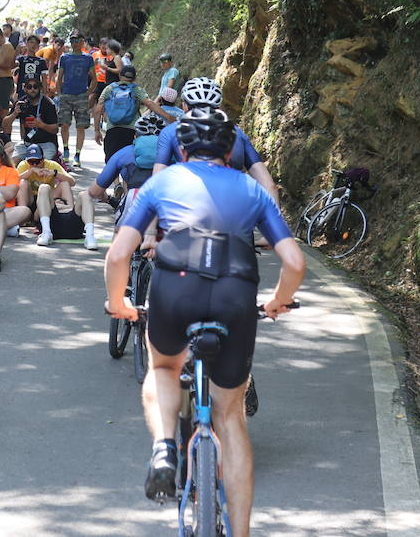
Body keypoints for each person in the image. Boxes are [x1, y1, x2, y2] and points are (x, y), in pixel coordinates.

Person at [105, 109, 304, 537]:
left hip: (175, 288)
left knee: (162, 368)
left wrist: (118, 301)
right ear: (230, 149)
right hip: (235, 292)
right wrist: (277, 302)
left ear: (182, 148)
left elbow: (120, 254)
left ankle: (163, 451)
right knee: (230, 416)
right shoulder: (251, 188)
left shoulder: (161, 183)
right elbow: (294, 261)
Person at [153, 77, 280, 203]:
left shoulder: (170, 132)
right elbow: (269, 186)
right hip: (237, 211)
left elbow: (157, 183)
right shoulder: (237, 133)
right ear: (218, 108)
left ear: (185, 106)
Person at [93, 64, 170, 161]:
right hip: (131, 131)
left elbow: (98, 109)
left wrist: (97, 130)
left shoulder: (109, 88)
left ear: (120, 75)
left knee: (111, 163)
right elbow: (150, 104)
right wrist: (168, 117)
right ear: (134, 78)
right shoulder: (136, 90)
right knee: (128, 163)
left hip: (112, 130)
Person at [15, 143, 79, 247]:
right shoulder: (24, 165)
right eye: (31, 162)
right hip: (30, 199)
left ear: (43, 159)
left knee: (64, 184)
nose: (34, 165)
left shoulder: (52, 165)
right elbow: (13, 182)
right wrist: (30, 171)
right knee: (23, 182)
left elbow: (72, 182)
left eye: (37, 162)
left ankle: (70, 217)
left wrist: (55, 174)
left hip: (46, 199)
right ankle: (23, 217)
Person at [56, 34, 95, 169]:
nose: (75, 43)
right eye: (72, 40)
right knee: (64, 124)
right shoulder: (64, 57)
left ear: (83, 42)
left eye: (77, 40)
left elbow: (94, 78)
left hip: (81, 95)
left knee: (80, 126)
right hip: (66, 94)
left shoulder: (88, 58)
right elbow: (59, 77)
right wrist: (59, 94)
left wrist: (87, 93)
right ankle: (66, 149)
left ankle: (78, 155)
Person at [8, 76, 60, 162]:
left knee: (43, 164)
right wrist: (14, 113)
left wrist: (41, 125)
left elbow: (55, 129)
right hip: (27, 144)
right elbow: (4, 124)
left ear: (40, 88)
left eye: (35, 86)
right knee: (12, 163)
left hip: (46, 144)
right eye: (29, 87)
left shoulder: (48, 104)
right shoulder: (21, 102)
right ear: (24, 88)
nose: (32, 89)